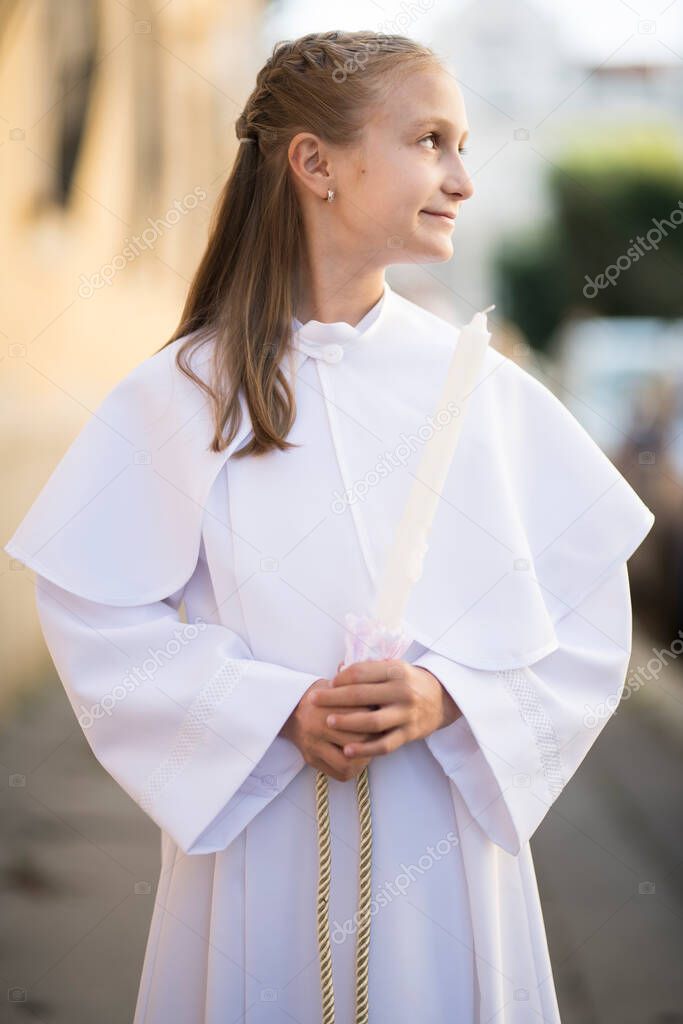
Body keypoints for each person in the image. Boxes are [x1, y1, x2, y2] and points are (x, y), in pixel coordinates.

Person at [4, 30, 655, 1024]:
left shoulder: (477, 391)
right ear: (314, 164)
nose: (462, 178)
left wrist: (448, 696)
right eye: (430, 140)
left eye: (464, 143)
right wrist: (269, 709)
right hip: (263, 827)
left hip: (438, 833)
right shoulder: (183, 396)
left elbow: (584, 618)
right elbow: (98, 618)